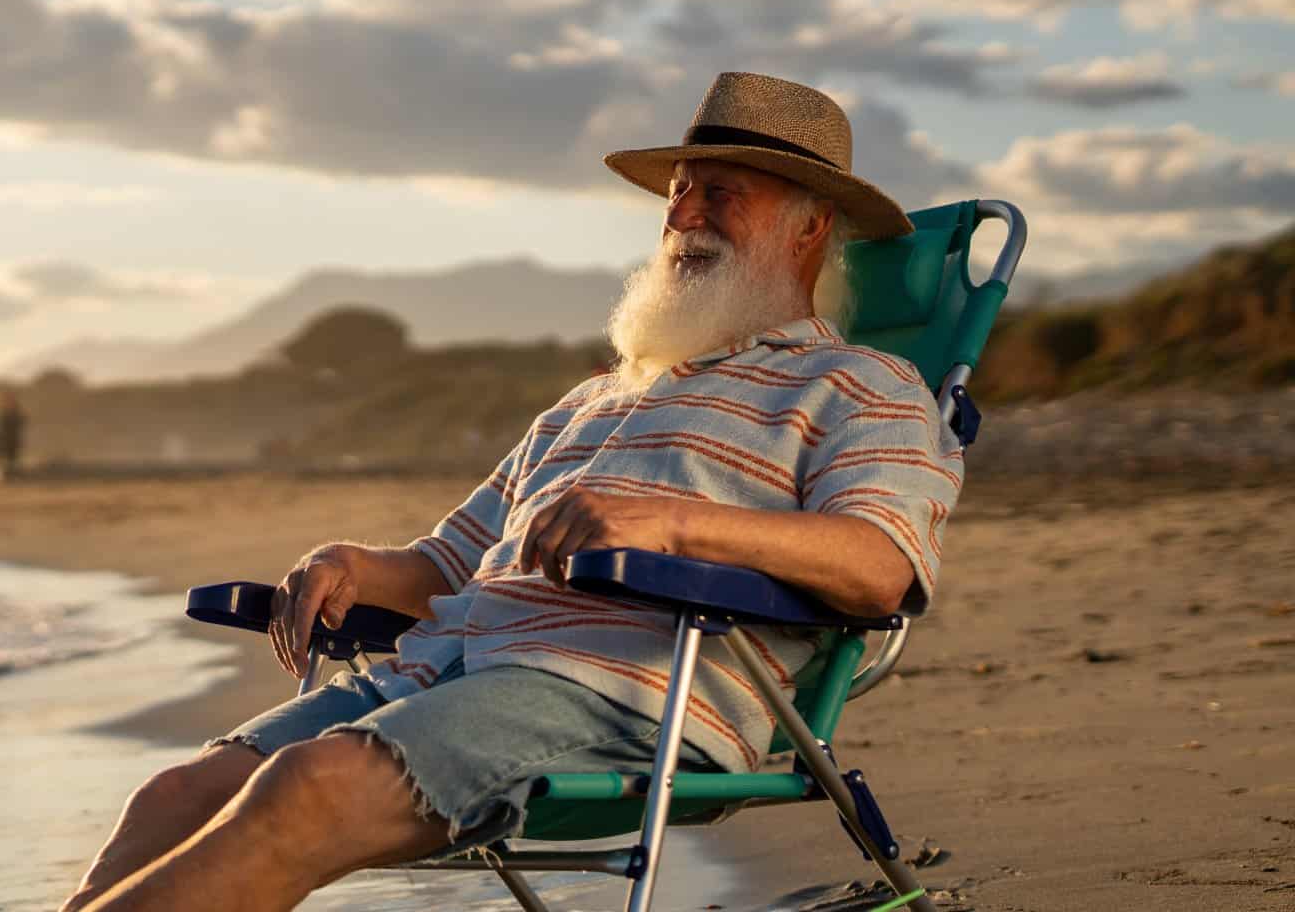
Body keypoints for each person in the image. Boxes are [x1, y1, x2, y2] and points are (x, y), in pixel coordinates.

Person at [59, 73, 963, 912]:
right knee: (177, 793)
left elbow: (881, 567)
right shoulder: (594, 400)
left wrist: (675, 524)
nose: (682, 213)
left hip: (622, 692)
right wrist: (350, 566)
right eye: (678, 191)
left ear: (809, 227)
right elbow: (447, 566)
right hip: (445, 672)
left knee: (307, 790)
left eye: (719, 191)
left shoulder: (861, 385)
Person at [0, 390, 27, 481]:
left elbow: (22, 424)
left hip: (13, 441)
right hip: (4, 442)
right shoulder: (3, 414)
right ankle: (5, 476)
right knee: (3, 460)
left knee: (12, 459)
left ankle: (11, 475)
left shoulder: (16, 413)